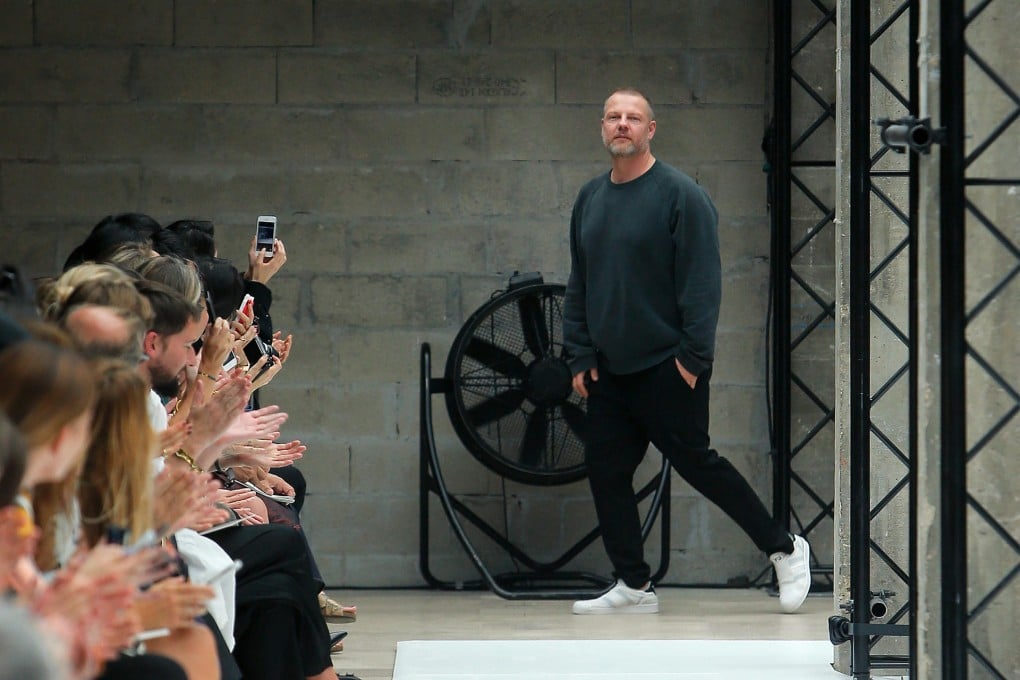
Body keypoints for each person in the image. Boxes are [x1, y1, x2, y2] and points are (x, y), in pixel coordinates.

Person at [564, 88, 812, 615]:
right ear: (602, 127)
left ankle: (786, 550)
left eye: (634, 118)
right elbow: (580, 282)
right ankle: (634, 585)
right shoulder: (589, 198)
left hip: (666, 366)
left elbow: (703, 285)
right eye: (613, 117)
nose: (622, 125)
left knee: (698, 465)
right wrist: (579, 355)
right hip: (609, 372)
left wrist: (691, 361)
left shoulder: (681, 195)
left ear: (651, 130)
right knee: (605, 471)